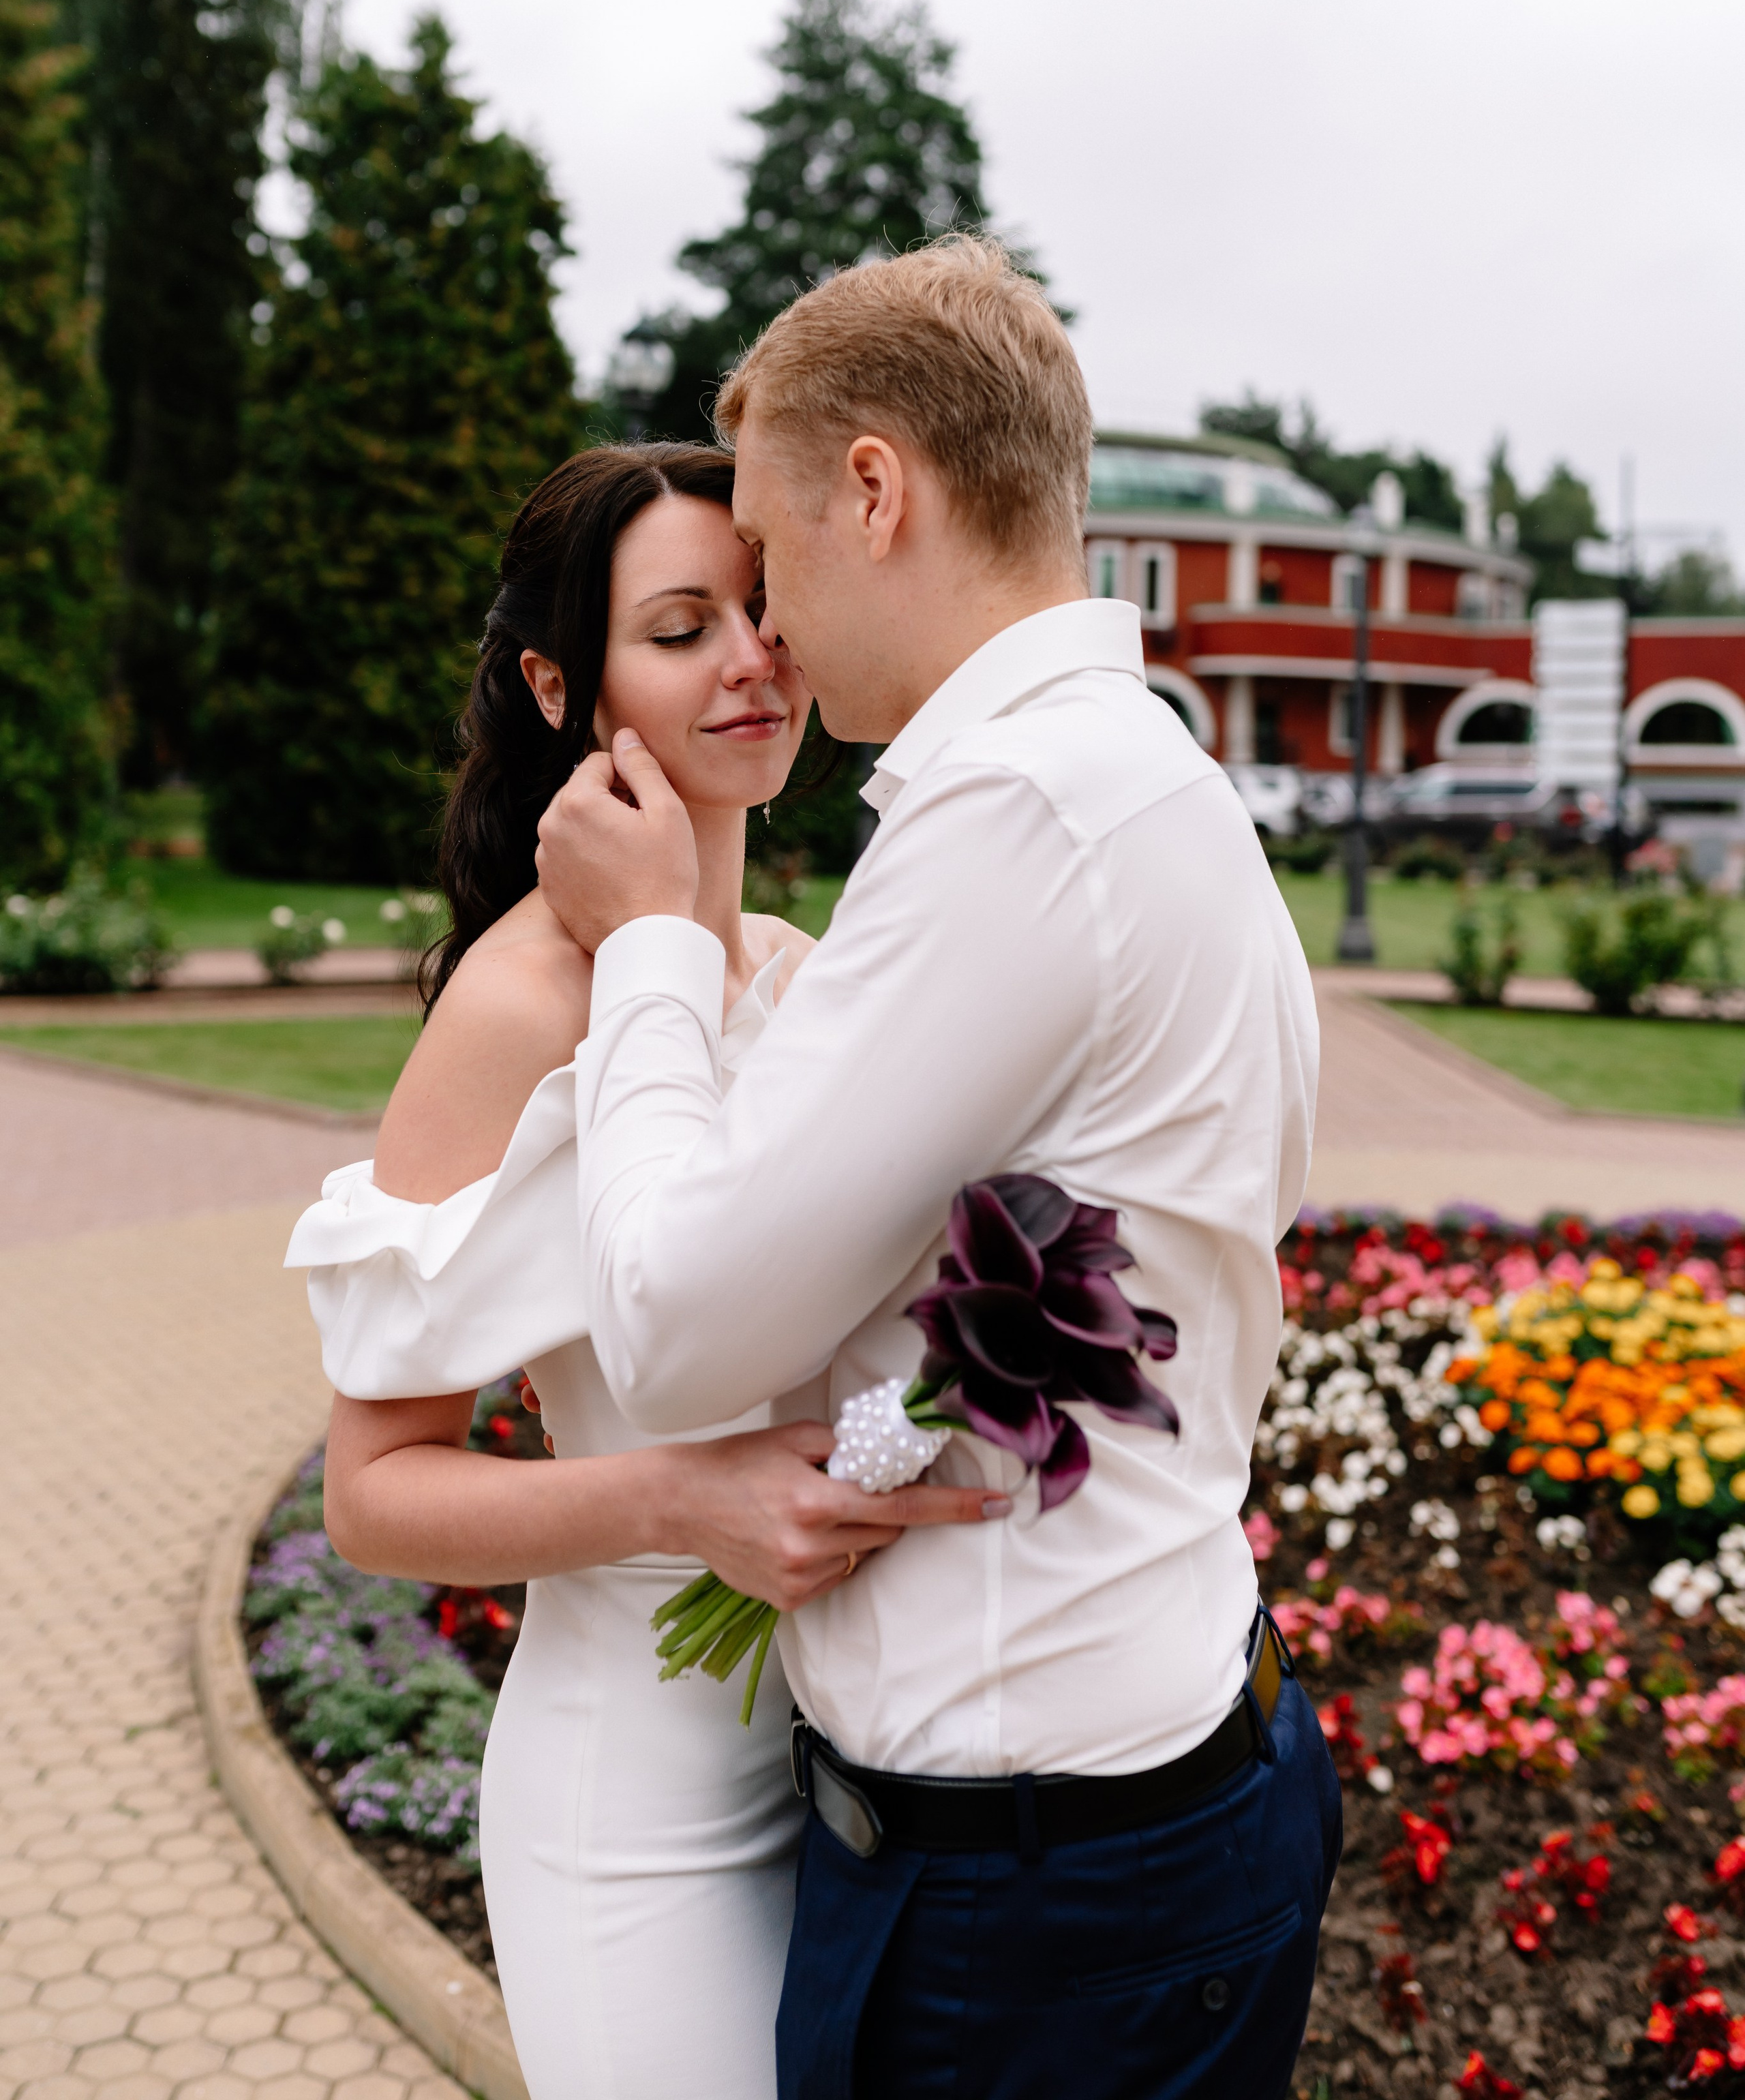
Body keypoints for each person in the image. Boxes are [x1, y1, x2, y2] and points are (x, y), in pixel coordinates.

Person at [532, 237, 1339, 2100]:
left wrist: (652, 943)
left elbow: (672, 1325)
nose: (771, 627)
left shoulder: (1019, 810)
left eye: (774, 548)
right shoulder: (1161, 782)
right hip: (1172, 1790)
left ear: (876, 488)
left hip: (1038, 1897)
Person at [283, 442, 1002, 2100]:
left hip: (848, 1793)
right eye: (679, 627)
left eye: (760, 605)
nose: (749, 658)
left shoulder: (798, 969)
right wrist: (686, 1500)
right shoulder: (521, 1006)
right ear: (560, 682)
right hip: (634, 1826)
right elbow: (372, 1490)